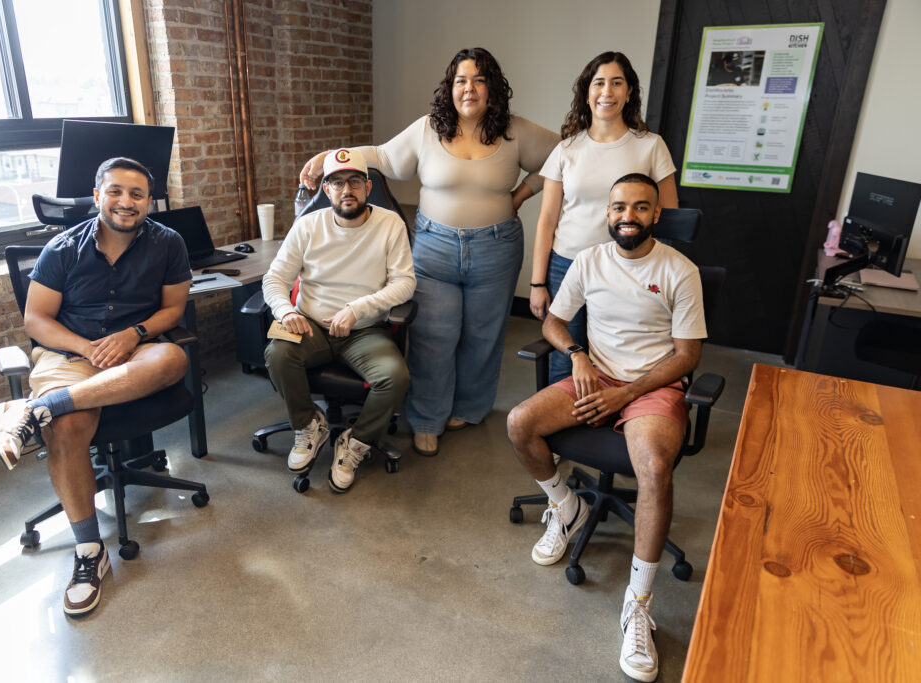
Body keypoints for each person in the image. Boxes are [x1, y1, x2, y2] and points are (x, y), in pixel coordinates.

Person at [299, 47, 559, 457]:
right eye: (460, 80)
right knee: (433, 337)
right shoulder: (428, 129)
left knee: (482, 336)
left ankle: (471, 409)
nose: (468, 88)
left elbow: (562, 154)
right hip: (435, 247)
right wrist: (330, 157)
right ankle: (426, 420)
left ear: (492, 87)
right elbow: (383, 156)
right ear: (449, 87)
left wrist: (522, 194)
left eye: (478, 79)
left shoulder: (514, 131)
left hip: (496, 249)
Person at [506, 174, 706, 682]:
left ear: (656, 214)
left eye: (640, 208)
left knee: (655, 468)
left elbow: (687, 356)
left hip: (653, 386)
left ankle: (638, 603)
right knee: (520, 422)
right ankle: (564, 504)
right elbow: (554, 319)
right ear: (608, 211)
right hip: (594, 376)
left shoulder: (680, 270)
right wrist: (575, 354)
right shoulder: (589, 260)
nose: (627, 217)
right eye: (619, 207)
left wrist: (629, 392)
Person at [0, 157, 192, 617]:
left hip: (135, 350)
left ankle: (38, 408)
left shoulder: (168, 244)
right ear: (97, 196)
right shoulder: (62, 248)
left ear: (149, 202)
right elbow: (35, 320)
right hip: (69, 352)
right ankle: (89, 553)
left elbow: (173, 311)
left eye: (137, 194)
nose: (126, 202)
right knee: (67, 428)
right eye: (116, 192)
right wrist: (87, 347)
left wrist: (133, 334)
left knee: (174, 357)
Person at [263, 148, 415, 493]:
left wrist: (357, 309)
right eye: (336, 182)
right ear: (326, 190)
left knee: (395, 377)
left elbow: (405, 283)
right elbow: (275, 280)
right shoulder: (308, 225)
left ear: (367, 186)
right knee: (278, 354)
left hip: (363, 331)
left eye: (355, 182)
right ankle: (308, 425)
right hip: (311, 325)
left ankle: (356, 443)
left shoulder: (389, 223)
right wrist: (286, 312)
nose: (346, 190)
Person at [529, 51, 678, 383]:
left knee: (619, 354)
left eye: (616, 83)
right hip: (568, 265)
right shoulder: (566, 150)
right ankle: (562, 421)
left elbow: (668, 217)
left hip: (629, 268)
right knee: (567, 355)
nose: (607, 92)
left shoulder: (651, 146)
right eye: (599, 83)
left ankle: (615, 414)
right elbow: (547, 221)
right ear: (586, 92)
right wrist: (538, 283)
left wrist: (662, 275)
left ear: (628, 93)